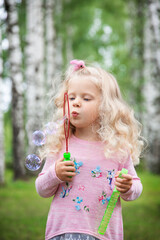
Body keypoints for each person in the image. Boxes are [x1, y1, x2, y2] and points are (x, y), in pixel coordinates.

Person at [35, 59, 144, 240]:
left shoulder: (117, 148)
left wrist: (128, 186)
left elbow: (135, 188)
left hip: (102, 234)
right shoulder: (61, 144)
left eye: (86, 98)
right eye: (71, 98)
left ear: (105, 107)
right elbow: (41, 189)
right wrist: (55, 174)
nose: (76, 103)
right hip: (63, 232)